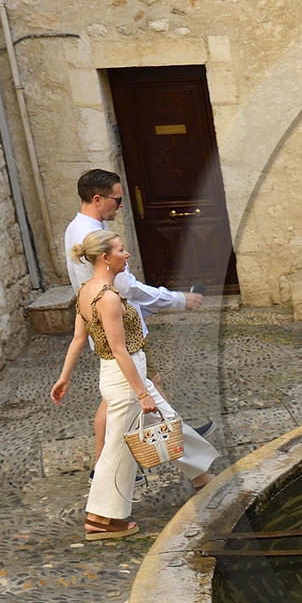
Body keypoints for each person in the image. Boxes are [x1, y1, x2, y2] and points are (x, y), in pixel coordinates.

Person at [51, 229, 222, 540]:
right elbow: (119, 349)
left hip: (124, 374)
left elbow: (79, 338)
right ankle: (102, 518)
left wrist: (65, 377)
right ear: (105, 258)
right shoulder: (109, 298)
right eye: (120, 250)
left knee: (168, 422)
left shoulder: (87, 291)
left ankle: (202, 475)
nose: (126, 254)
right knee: (119, 449)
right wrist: (142, 393)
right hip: (126, 376)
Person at [63, 169, 208, 466]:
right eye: (117, 200)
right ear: (97, 198)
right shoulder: (92, 236)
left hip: (111, 327)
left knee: (136, 391)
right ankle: (180, 450)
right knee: (128, 399)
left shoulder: (76, 229)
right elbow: (127, 287)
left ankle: (185, 440)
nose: (121, 206)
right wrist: (179, 300)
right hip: (120, 333)